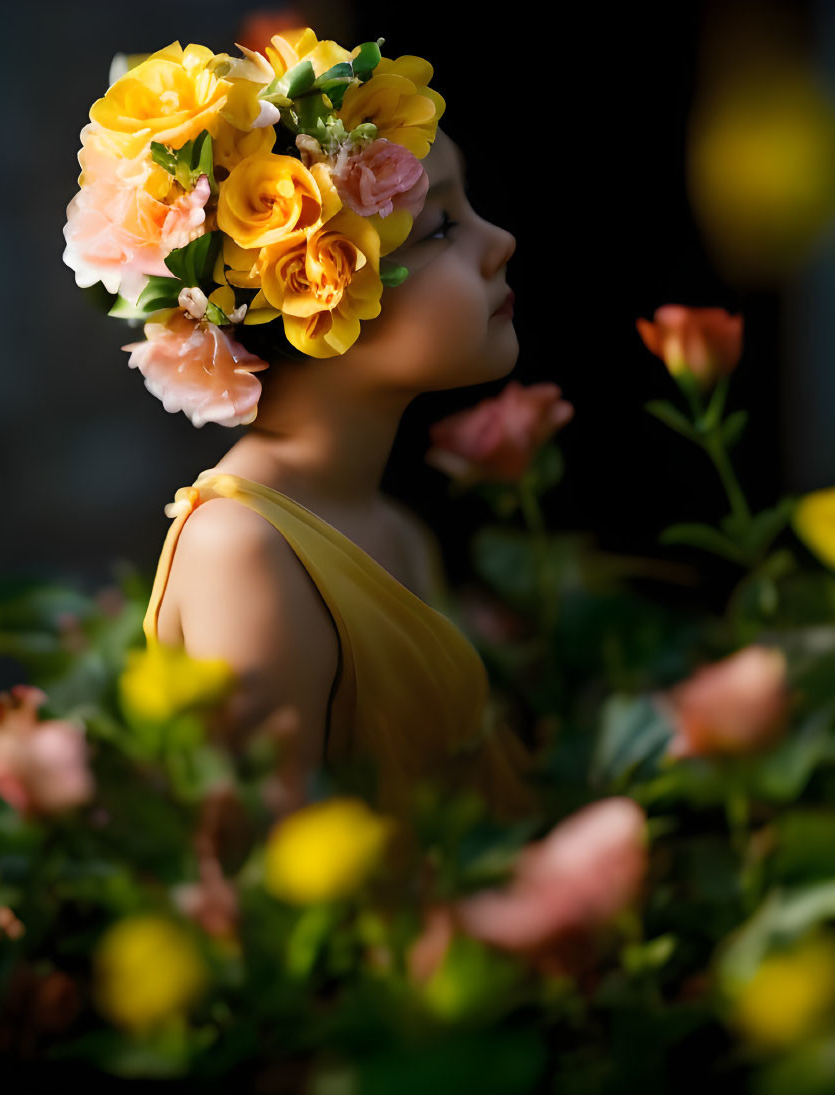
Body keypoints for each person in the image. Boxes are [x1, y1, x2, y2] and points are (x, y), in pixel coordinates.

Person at [142, 133, 538, 819]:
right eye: (442, 225)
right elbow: (273, 878)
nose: (499, 239)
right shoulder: (241, 548)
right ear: (306, 288)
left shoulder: (395, 530)